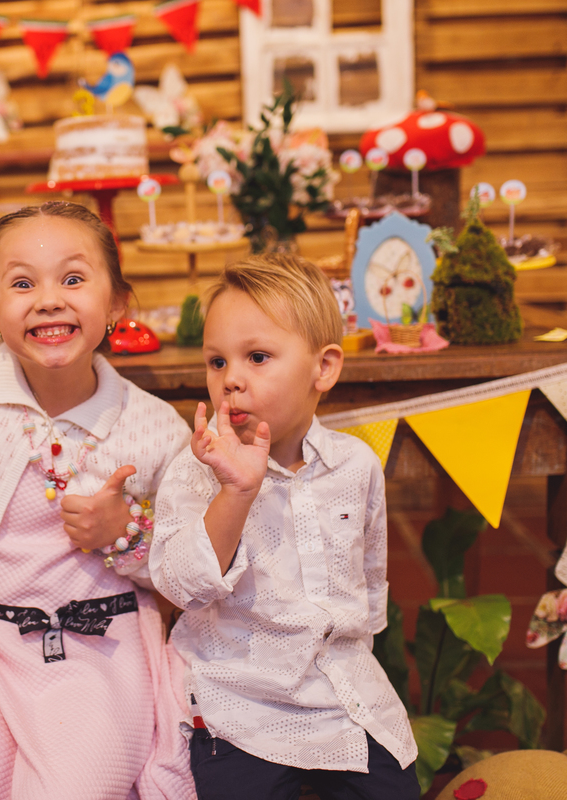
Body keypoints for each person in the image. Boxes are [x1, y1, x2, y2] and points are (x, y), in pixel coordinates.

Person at [0, 201, 196, 800]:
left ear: (117, 305)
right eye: (23, 283)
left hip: (97, 645)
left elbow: (182, 564)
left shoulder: (156, 429)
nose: (49, 300)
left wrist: (124, 532)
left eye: (73, 279)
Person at [150, 254, 418, 800]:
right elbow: (181, 587)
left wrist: (357, 648)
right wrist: (236, 492)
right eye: (217, 362)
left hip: (342, 691)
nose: (231, 380)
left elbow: (370, 579)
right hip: (239, 702)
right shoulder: (197, 470)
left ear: (324, 368)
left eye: (257, 357)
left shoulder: (356, 465)